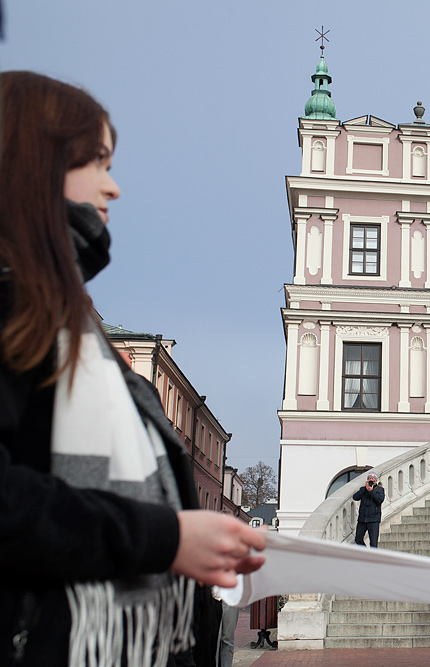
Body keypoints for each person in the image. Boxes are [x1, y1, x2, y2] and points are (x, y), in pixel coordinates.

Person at [0, 71, 267, 667]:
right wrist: (165, 539)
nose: (113, 186)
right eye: (95, 161)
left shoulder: (70, 322)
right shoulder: (19, 307)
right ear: (32, 162)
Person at [353, 472, 385, 547]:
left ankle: (373, 558)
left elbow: (379, 500)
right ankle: (365, 554)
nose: (371, 480)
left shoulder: (380, 490)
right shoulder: (363, 489)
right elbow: (355, 497)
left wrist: (371, 491)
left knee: (373, 543)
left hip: (374, 520)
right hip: (362, 520)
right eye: (369, 479)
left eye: (372, 479)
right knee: (358, 539)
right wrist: (365, 489)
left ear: (376, 481)